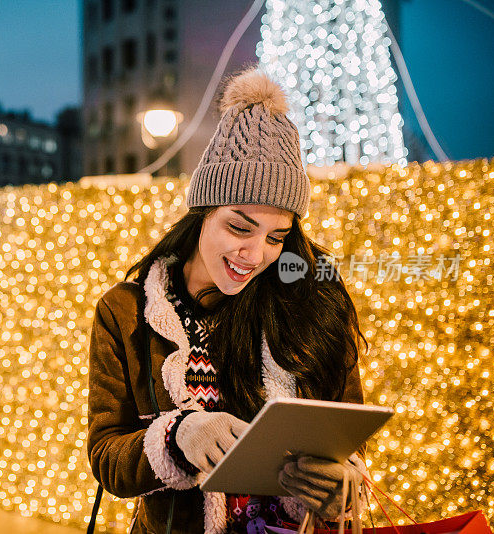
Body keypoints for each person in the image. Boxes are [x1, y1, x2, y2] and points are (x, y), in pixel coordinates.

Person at [87, 67, 370, 534]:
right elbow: (107, 458)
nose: (255, 254)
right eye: (239, 227)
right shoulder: (126, 312)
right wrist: (178, 437)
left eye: (277, 236)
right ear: (202, 213)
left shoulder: (315, 301)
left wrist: (341, 484)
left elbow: (347, 433)